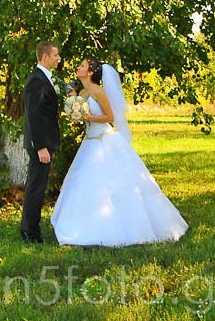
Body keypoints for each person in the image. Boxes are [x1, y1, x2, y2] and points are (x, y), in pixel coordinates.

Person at [51, 57, 189, 247]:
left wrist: (89, 116)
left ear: (90, 72)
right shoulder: (82, 91)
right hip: (89, 140)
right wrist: (73, 100)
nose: (78, 67)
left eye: (82, 65)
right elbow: (78, 118)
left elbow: (110, 116)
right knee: (82, 183)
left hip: (103, 139)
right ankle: (83, 224)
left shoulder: (98, 91)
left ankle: (116, 227)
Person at [20, 41, 74, 244]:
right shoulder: (36, 80)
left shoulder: (48, 78)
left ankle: (30, 230)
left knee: (38, 185)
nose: (58, 59)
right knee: (36, 187)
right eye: (55, 55)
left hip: (46, 141)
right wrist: (40, 145)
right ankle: (30, 234)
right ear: (44, 57)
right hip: (40, 144)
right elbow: (33, 115)